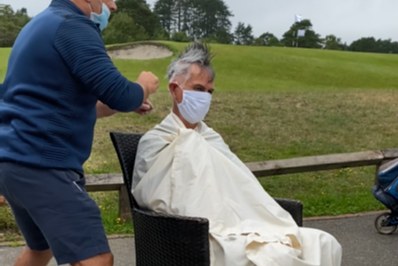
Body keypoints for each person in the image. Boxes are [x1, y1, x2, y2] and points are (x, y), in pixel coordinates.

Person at [132, 42, 342, 266]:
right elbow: (151, 196)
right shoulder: (157, 141)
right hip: (195, 236)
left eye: (210, 92)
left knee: (323, 242)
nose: (205, 98)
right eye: (199, 89)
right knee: (274, 258)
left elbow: (239, 186)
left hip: (245, 225)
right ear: (175, 90)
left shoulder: (211, 138)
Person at [0, 0, 159, 265]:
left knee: (40, 250)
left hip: (16, 161)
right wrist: (143, 87)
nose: (114, 6)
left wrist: (123, 105)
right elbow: (121, 93)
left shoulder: (39, 25)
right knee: (95, 259)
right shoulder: (73, 26)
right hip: (44, 163)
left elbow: (66, 103)